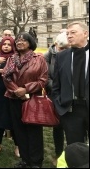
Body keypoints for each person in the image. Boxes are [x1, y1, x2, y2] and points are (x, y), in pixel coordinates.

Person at [2, 32, 48, 168]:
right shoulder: (11, 59)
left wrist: (26, 89)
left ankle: (36, 162)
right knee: (19, 131)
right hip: (14, 99)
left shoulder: (39, 59)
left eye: (23, 40)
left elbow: (43, 80)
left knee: (34, 132)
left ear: (30, 43)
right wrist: (17, 91)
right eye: (17, 40)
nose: (19, 42)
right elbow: (6, 76)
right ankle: (25, 160)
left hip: (32, 99)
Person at [51, 21, 89, 145]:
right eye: (67, 33)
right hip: (71, 111)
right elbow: (56, 85)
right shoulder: (61, 56)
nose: (69, 36)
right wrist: (59, 105)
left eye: (73, 32)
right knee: (75, 149)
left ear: (85, 34)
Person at [0, 36, 20, 157]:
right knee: (0, 119)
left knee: (14, 119)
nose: (6, 46)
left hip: (12, 93)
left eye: (9, 44)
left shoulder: (16, 58)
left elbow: (20, 71)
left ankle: (18, 146)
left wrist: (6, 71)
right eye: (4, 44)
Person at [44, 32, 69, 165]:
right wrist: (56, 87)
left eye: (67, 48)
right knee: (58, 126)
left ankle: (74, 153)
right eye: (62, 48)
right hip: (55, 95)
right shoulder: (48, 56)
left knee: (73, 126)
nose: (64, 51)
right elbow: (45, 76)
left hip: (72, 96)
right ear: (55, 45)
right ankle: (59, 153)